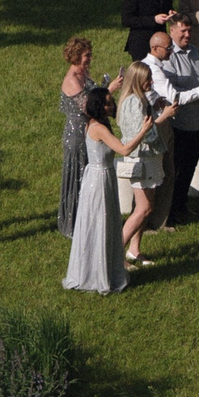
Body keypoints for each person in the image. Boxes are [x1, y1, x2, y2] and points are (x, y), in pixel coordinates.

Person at [64, 83, 155, 294]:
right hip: (99, 179)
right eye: (108, 103)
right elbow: (124, 149)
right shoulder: (99, 128)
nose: (112, 105)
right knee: (100, 223)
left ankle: (103, 269)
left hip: (101, 176)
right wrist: (143, 131)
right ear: (99, 106)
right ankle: (97, 274)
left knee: (104, 223)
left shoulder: (96, 124)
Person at [149, 18, 199, 226]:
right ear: (171, 30)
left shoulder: (195, 52)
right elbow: (172, 94)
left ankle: (181, 206)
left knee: (190, 167)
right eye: (183, 31)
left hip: (198, 121)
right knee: (175, 170)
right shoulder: (167, 57)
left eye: (189, 31)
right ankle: (168, 213)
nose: (187, 35)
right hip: (179, 123)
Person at [113, 57, 168, 267]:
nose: (151, 82)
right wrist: (163, 117)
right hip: (141, 159)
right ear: (137, 80)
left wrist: (156, 109)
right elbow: (145, 134)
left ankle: (134, 250)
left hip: (148, 159)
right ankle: (116, 254)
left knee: (146, 206)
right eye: (147, 79)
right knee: (143, 208)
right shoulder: (133, 102)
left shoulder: (139, 99)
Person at [57, 36, 96, 236]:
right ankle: (72, 223)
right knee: (77, 176)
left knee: (87, 174)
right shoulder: (72, 79)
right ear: (76, 56)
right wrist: (110, 89)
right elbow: (88, 107)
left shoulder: (84, 73)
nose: (90, 58)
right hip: (76, 135)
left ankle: (88, 217)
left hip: (88, 131)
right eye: (86, 55)